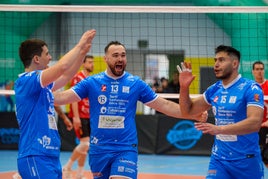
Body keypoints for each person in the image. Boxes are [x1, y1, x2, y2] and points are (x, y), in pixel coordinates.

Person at [53, 41, 207, 179]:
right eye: (115, 55)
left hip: (125, 148)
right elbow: (65, 97)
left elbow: (165, 105)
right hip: (99, 150)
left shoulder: (135, 84)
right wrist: (41, 94)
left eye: (123, 55)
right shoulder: (92, 82)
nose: (120, 59)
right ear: (105, 59)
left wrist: (191, 113)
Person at [14, 29, 96, 179]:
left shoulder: (43, 86)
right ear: (36, 59)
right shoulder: (26, 81)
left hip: (50, 156)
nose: (50, 57)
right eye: (47, 54)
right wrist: (79, 45)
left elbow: (66, 76)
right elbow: (62, 67)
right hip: (35, 154)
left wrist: (82, 53)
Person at [177, 45, 264, 179]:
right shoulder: (214, 89)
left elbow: (254, 123)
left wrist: (219, 129)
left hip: (246, 160)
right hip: (219, 160)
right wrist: (184, 87)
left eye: (221, 60)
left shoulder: (251, 88)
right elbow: (186, 111)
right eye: (215, 60)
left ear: (235, 63)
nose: (216, 65)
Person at [62, 55, 94, 179]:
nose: (92, 64)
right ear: (83, 64)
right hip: (80, 115)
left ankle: (79, 174)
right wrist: (76, 117)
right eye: (89, 62)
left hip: (89, 116)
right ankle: (67, 166)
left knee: (85, 147)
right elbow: (73, 98)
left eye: (93, 62)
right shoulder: (77, 78)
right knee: (85, 144)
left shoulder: (90, 79)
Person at [252, 60, 268, 167]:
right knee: (256, 158)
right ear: (253, 71)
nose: (259, 72)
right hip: (255, 127)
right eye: (257, 69)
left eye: (261, 69)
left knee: (267, 157)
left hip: (266, 125)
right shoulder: (250, 87)